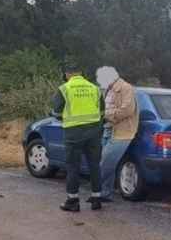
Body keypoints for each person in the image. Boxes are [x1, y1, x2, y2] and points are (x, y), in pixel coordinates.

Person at [51, 62, 105, 212]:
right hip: (94, 132)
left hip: (73, 133)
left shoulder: (64, 88)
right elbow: (102, 112)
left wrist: (66, 118)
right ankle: (96, 198)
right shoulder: (95, 88)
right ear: (81, 73)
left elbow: (55, 112)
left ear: (67, 74)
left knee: (73, 166)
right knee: (94, 165)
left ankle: (73, 201)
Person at [95, 66, 139, 201]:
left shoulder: (126, 88)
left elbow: (127, 110)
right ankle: (105, 194)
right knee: (108, 163)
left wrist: (107, 115)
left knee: (105, 163)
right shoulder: (108, 89)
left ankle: (96, 190)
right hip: (108, 129)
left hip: (122, 132)